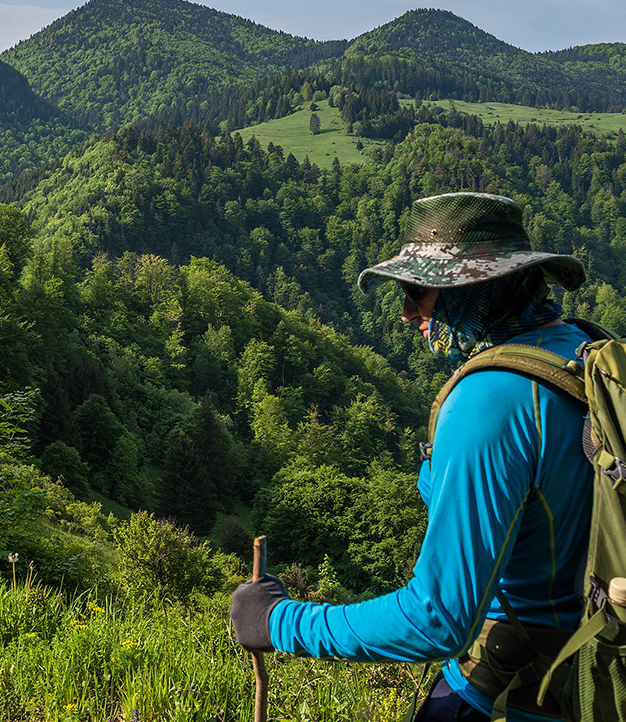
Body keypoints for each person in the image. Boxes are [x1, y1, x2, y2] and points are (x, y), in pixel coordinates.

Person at [231, 191, 593, 721]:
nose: (406, 313)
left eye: (418, 292)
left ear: (474, 291)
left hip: (514, 693)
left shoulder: (489, 402)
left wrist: (277, 622)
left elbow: (438, 619)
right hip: (606, 675)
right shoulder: (584, 351)